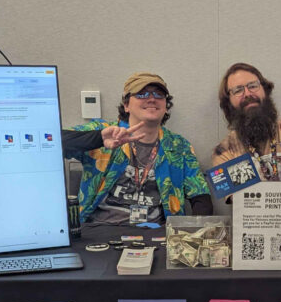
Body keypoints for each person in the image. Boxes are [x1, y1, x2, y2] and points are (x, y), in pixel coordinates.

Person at [62, 72, 213, 225]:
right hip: (101, 228)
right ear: (126, 105)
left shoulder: (179, 146)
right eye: (142, 94)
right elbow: (53, 139)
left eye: (159, 94)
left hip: (156, 231)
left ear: (166, 107)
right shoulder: (105, 131)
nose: (152, 98)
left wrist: (196, 232)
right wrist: (98, 138)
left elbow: (200, 196)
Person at [212, 63, 281, 181]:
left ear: (265, 90)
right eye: (238, 90)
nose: (247, 94)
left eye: (252, 86)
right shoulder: (224, 154)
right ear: (228, 102)